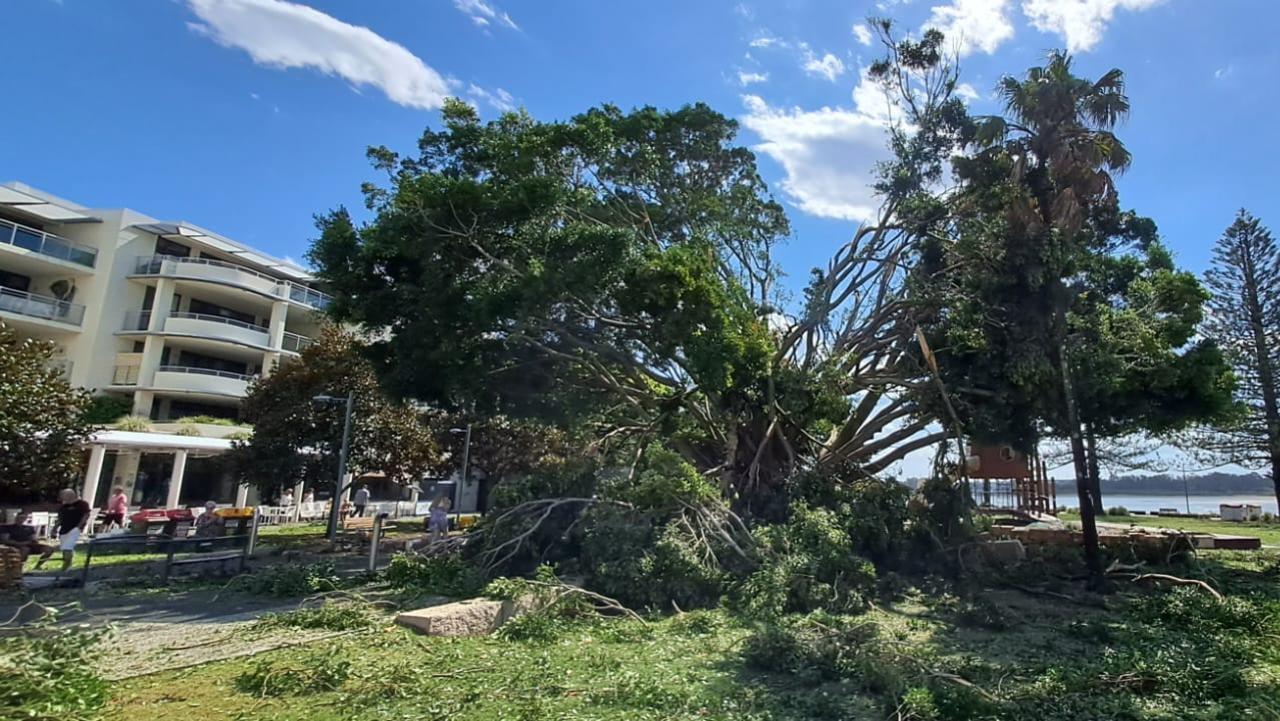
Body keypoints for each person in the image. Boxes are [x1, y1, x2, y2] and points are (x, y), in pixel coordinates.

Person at [35, 489, 91, 572]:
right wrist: (54, 529)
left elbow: (86, 515)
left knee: (67, 548)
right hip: (63, 530)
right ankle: (39, 566)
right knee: (65, 549)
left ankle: (65, 568)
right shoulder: (63, 507)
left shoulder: (82, 504)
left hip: (75, 529)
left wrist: (79, 526)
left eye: (63, 496)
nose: (61, 498)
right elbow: (60, 519)